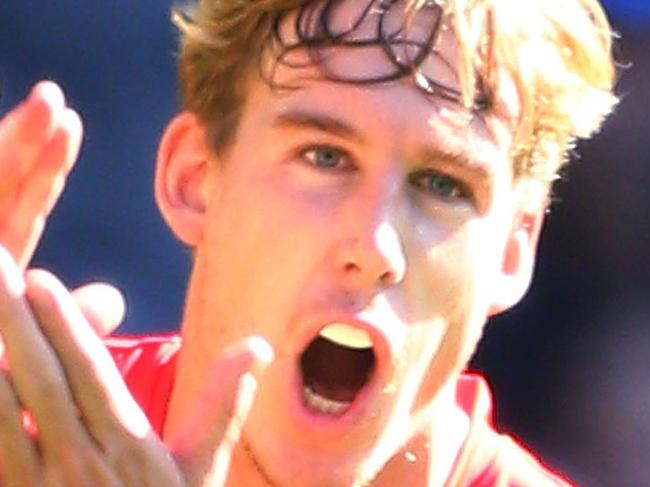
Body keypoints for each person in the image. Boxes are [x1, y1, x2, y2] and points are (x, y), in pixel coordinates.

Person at [0, 0, 617, 485]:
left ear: (513, 250)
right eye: (325, 157)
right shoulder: (25, 449)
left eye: (443, 185)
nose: (375, 247)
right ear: (194, 180)